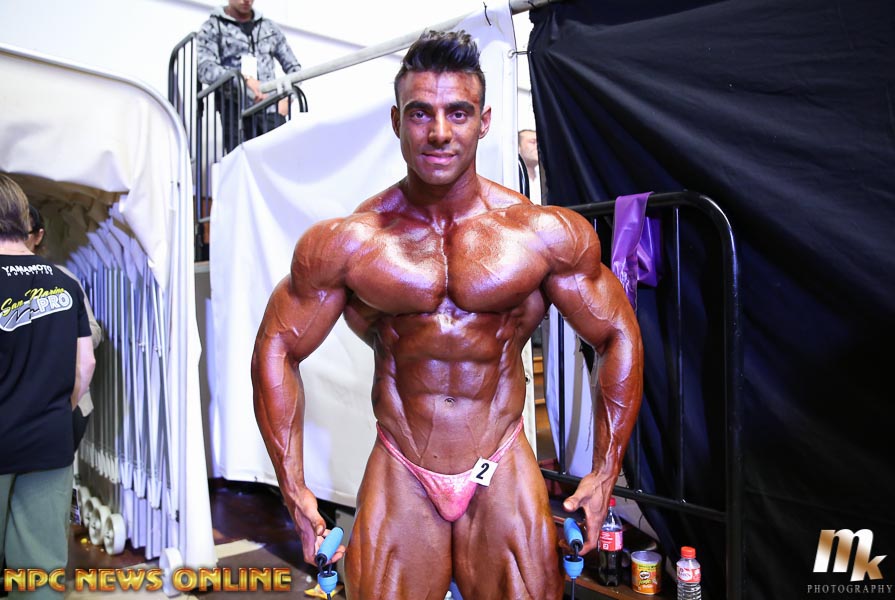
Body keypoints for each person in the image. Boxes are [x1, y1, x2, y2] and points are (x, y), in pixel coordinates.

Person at [251, 30, 643, 599]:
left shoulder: (539, 233)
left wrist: (605, 472)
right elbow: (277, 345)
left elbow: (617, 333)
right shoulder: (351, 243)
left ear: (484, 122)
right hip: (403, 465)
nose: (439, 132)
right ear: (396, 121)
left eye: (458, 113)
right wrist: (293, 489)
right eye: (420, 113)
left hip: (500, 458)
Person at [0, 174, 95, 599]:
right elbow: (85, 363)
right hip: (49, 442)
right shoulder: (65, 283)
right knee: (39, 574)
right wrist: (57, 410)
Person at [25, 204, 102, 451]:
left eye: (23, 233)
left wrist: (60, 337)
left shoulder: (62, 278)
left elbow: (93, 332)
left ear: (38, 236)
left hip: (65, 401)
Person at [197, 0, 301, 152]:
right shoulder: (213, 27)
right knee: (243, 163)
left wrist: (287, 99)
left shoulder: (269, 28)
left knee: (278, 158)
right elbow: (205, 69)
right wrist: (243, 80)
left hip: (271, 111)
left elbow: (295, 69)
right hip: (235, 112)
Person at [518, 128, 542, 205]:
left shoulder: (547, 179)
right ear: (518, 147)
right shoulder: (513, 179)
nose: (537, 146)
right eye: (533, 142)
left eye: (539, 142)